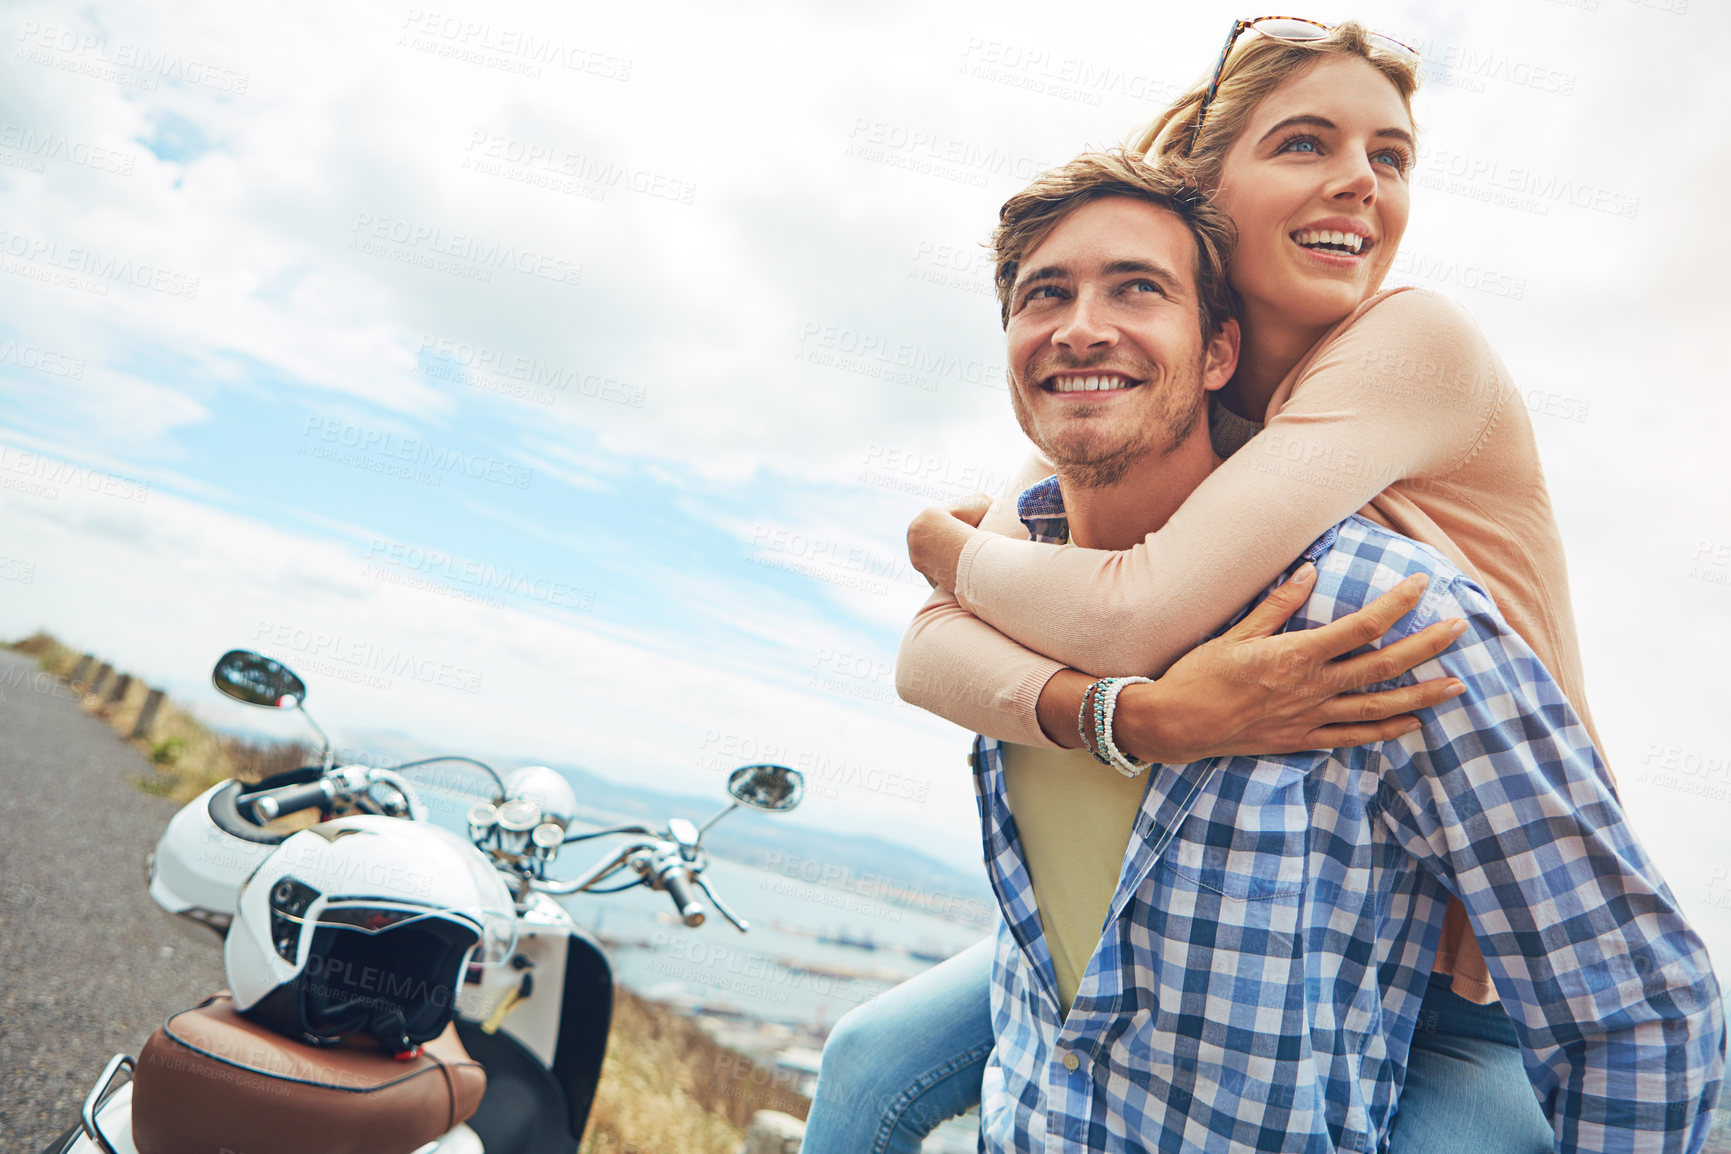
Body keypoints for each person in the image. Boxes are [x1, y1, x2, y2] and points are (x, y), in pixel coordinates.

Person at [803, 19, 1683, 1154]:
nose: (1360, 182)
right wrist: (1135, 712)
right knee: (867, 1062)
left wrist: (950, 550)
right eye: (1307, 143)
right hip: (1278, 935)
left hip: (1470, 982)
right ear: (1211, 187)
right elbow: (937, 648)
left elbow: (1124, 605)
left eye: (1392, 155)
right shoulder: (1166, 389)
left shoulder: (1413, 343)